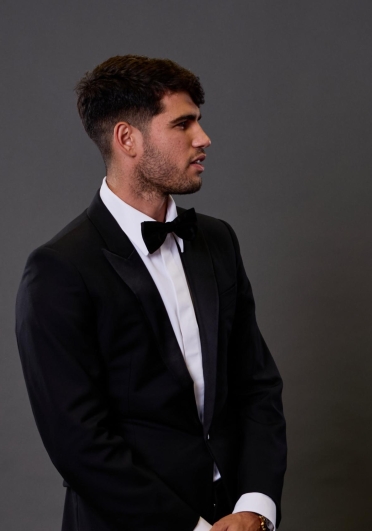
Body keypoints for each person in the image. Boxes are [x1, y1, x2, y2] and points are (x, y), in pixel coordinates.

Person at [16, 55, 285, 531]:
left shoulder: (217, 241)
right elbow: (78, 443)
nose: (203, 139)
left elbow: (257, 386)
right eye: (183, 124)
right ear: (127, 139)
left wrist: (256, 506)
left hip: (239, 517)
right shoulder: (60, 268)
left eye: (198, 122)